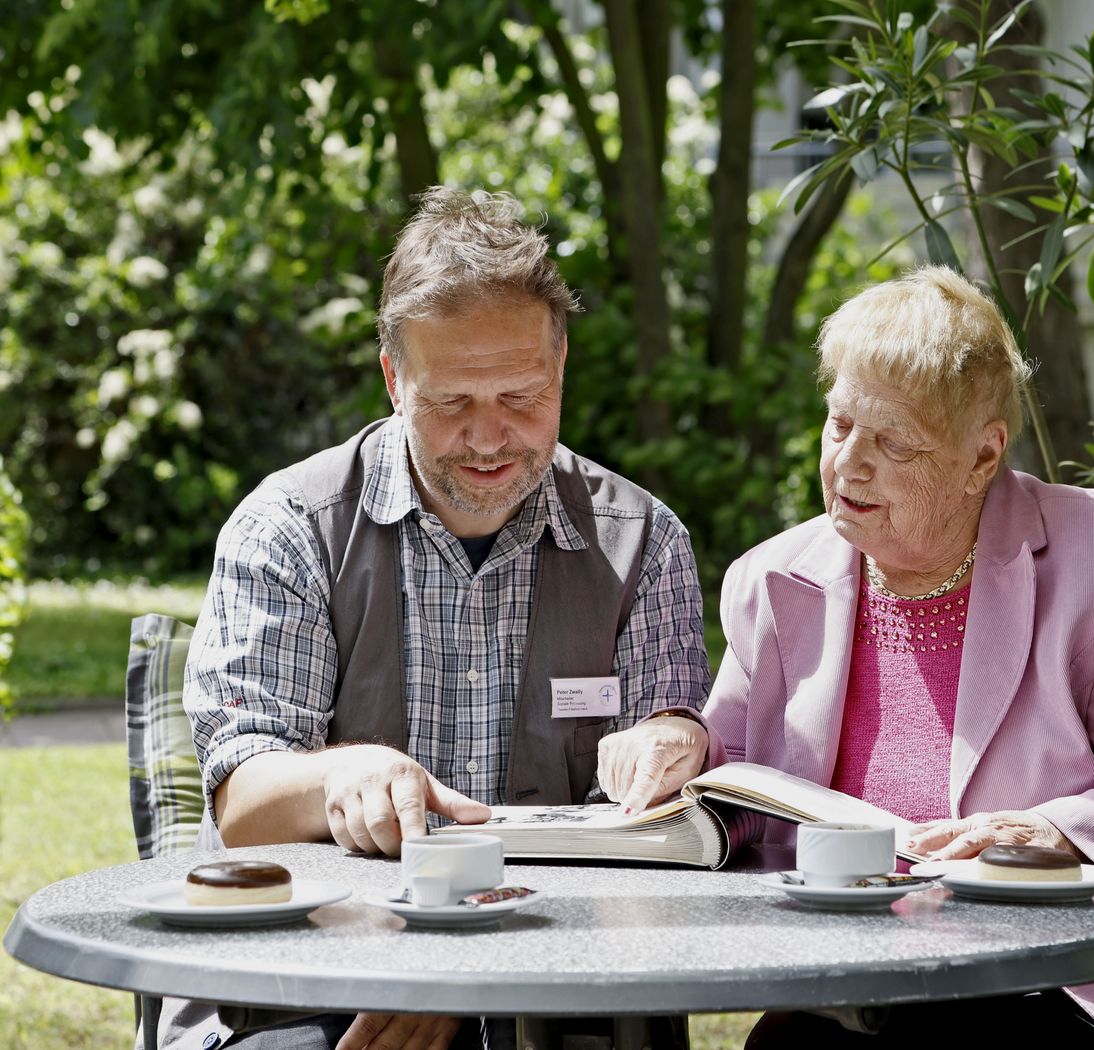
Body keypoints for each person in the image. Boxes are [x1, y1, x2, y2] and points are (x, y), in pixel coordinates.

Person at [600, 265, 1094, 1048]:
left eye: (893, 441)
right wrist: (682, 741)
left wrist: (1057, 833)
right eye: (840, 426)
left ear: (982, 457)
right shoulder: (775, 580)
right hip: (861, 981)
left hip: (1077, 981)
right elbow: (736, 774)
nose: (850, 464)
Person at [162, 188, 712, 1050]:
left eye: (521, 398)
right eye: (453, 403)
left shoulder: (645, 546)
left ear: (561, 368)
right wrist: (350, 778)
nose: (490, 438)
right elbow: (247, 805)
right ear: (394, 380)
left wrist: (467, 958)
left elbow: (663, 858)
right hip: (304, 976)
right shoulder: (290, 530)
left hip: (560, 982)